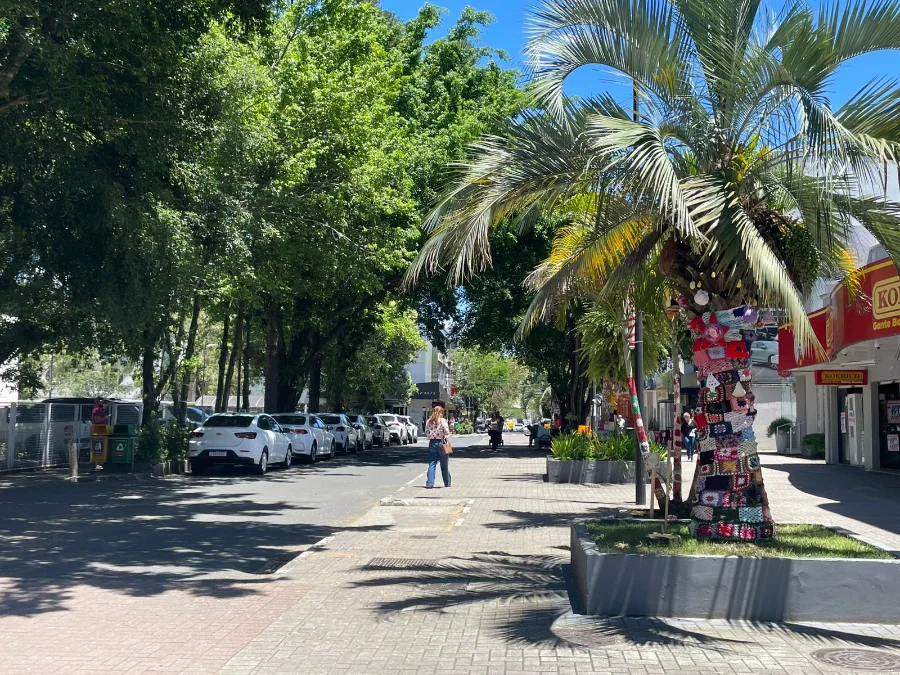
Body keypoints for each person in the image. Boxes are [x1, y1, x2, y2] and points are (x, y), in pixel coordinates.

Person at [424, 405, 451, 489]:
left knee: (432, 463)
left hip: (432, 443)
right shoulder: (442, 421)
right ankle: (447, 482)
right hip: (441, 442)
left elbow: (426, 432)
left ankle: (430, 483)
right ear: (441, 412)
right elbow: (446, 432)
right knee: (444, 464)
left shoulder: (429, 421)